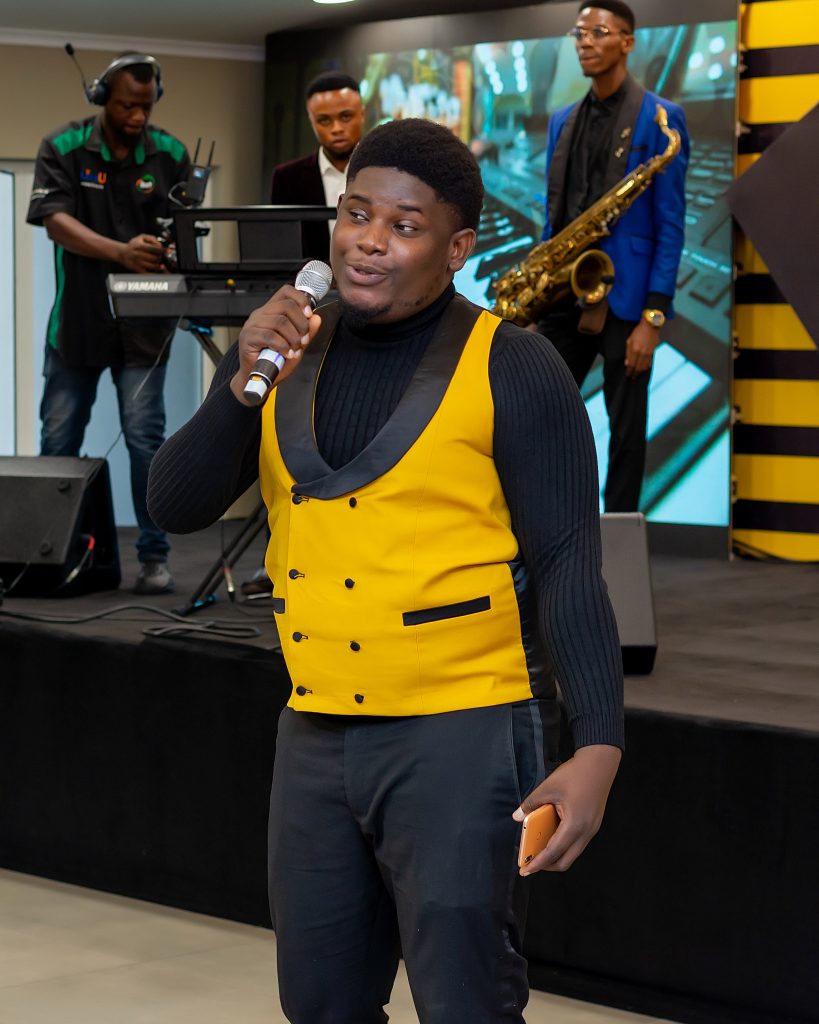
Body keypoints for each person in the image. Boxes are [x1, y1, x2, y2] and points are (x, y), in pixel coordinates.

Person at [148, 118, 623, 1023]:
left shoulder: (515, 365)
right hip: (313, 730)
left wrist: (597, 746)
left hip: (462, 734)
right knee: (319, 1003)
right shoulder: (281, 349)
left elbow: (568, 563)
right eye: (355, 215)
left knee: (465, 1003)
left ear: (458, 248)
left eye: (404, 226)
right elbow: (175, 505)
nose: (368, 241)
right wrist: (241, 382)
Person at [27, 52, 190, 594]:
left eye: (146, 106)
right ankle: (45, 556)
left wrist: (170, 250)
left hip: (145, 327)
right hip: (77, 323)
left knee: (146, 441)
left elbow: (183, 226)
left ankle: (154, 558)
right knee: (59, 439)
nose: (137, 116)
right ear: (102, 98)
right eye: (126, 106)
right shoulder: (64, 146)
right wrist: (121, 252)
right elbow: (55, 222)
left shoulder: (171, 153)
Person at [537, 1, 689, 512]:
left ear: (627, 42)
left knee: (625, 436)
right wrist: (538, 295)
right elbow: (554, 215)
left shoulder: (662, 118)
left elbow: (670, 226)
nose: (585, 41)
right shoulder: (562, 121)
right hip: (565, 292)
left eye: (598, 32)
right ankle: (554, 527)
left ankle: (618, 533)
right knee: (540, 417)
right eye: (579, 33)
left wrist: (654, 315)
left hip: (627, 301)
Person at [269, 70, 366, 262]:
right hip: (310, 279)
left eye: (345, 117)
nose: (336, 128)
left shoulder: (389, 173)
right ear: (312, 122)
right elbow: (282, 251)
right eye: (324, 120)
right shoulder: (287, 178)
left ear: (362, 114)